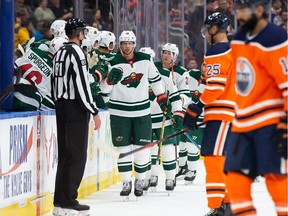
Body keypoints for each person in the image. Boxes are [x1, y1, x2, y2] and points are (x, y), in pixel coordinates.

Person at [224, 0, 288, 215]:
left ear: (260, 11)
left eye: (243, 10)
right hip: (242, 123)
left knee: (276, 180)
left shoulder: (276, 39)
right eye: (238, 9)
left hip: (270, 122)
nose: (238, 15)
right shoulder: (239, 39)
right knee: (235, 180)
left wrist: (285, 124)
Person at [100, 31, 167, 198]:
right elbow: (103, 91)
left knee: (142, 149)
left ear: (134, 44)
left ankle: (139, 180)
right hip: (118, 112)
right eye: (124, 43)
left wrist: (162, 98)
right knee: (122, 149)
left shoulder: (145, 59)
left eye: (130, 43)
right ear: (119, 44)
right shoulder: (111, 61)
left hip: (142, 112)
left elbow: (156, 80)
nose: (127, 46)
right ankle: (125, 182)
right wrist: (108, 81)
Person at [183, 12, 236, 215]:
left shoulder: (218, 51)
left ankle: (218, 207)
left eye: (207, 29)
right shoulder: (233, 51)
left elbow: (215, 87)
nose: (205, 34)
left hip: (222, 115)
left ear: (215, 29)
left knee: (214, 159)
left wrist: (195, 108)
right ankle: (228, 204)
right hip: (231, 114)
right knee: (224, 160)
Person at [50, 18, 101, 216]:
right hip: (75, 109)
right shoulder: (77, 52)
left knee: (65, 155)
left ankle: (60, 202)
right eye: (82, 32)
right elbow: (82, 85)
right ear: (79, 34)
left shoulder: (60, 51)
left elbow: (54, 82)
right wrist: (94, 110)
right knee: (76, 156)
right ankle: (69, 201)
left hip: (61, 107)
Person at [139, 47, 183, 193]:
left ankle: (170, 177)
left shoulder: (165, 75)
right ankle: (149, 177)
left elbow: (176, 97)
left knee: (167, 150)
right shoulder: (136, 76)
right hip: (145, 120)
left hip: (164, 120)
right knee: (148, 151)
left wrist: (177, 113)